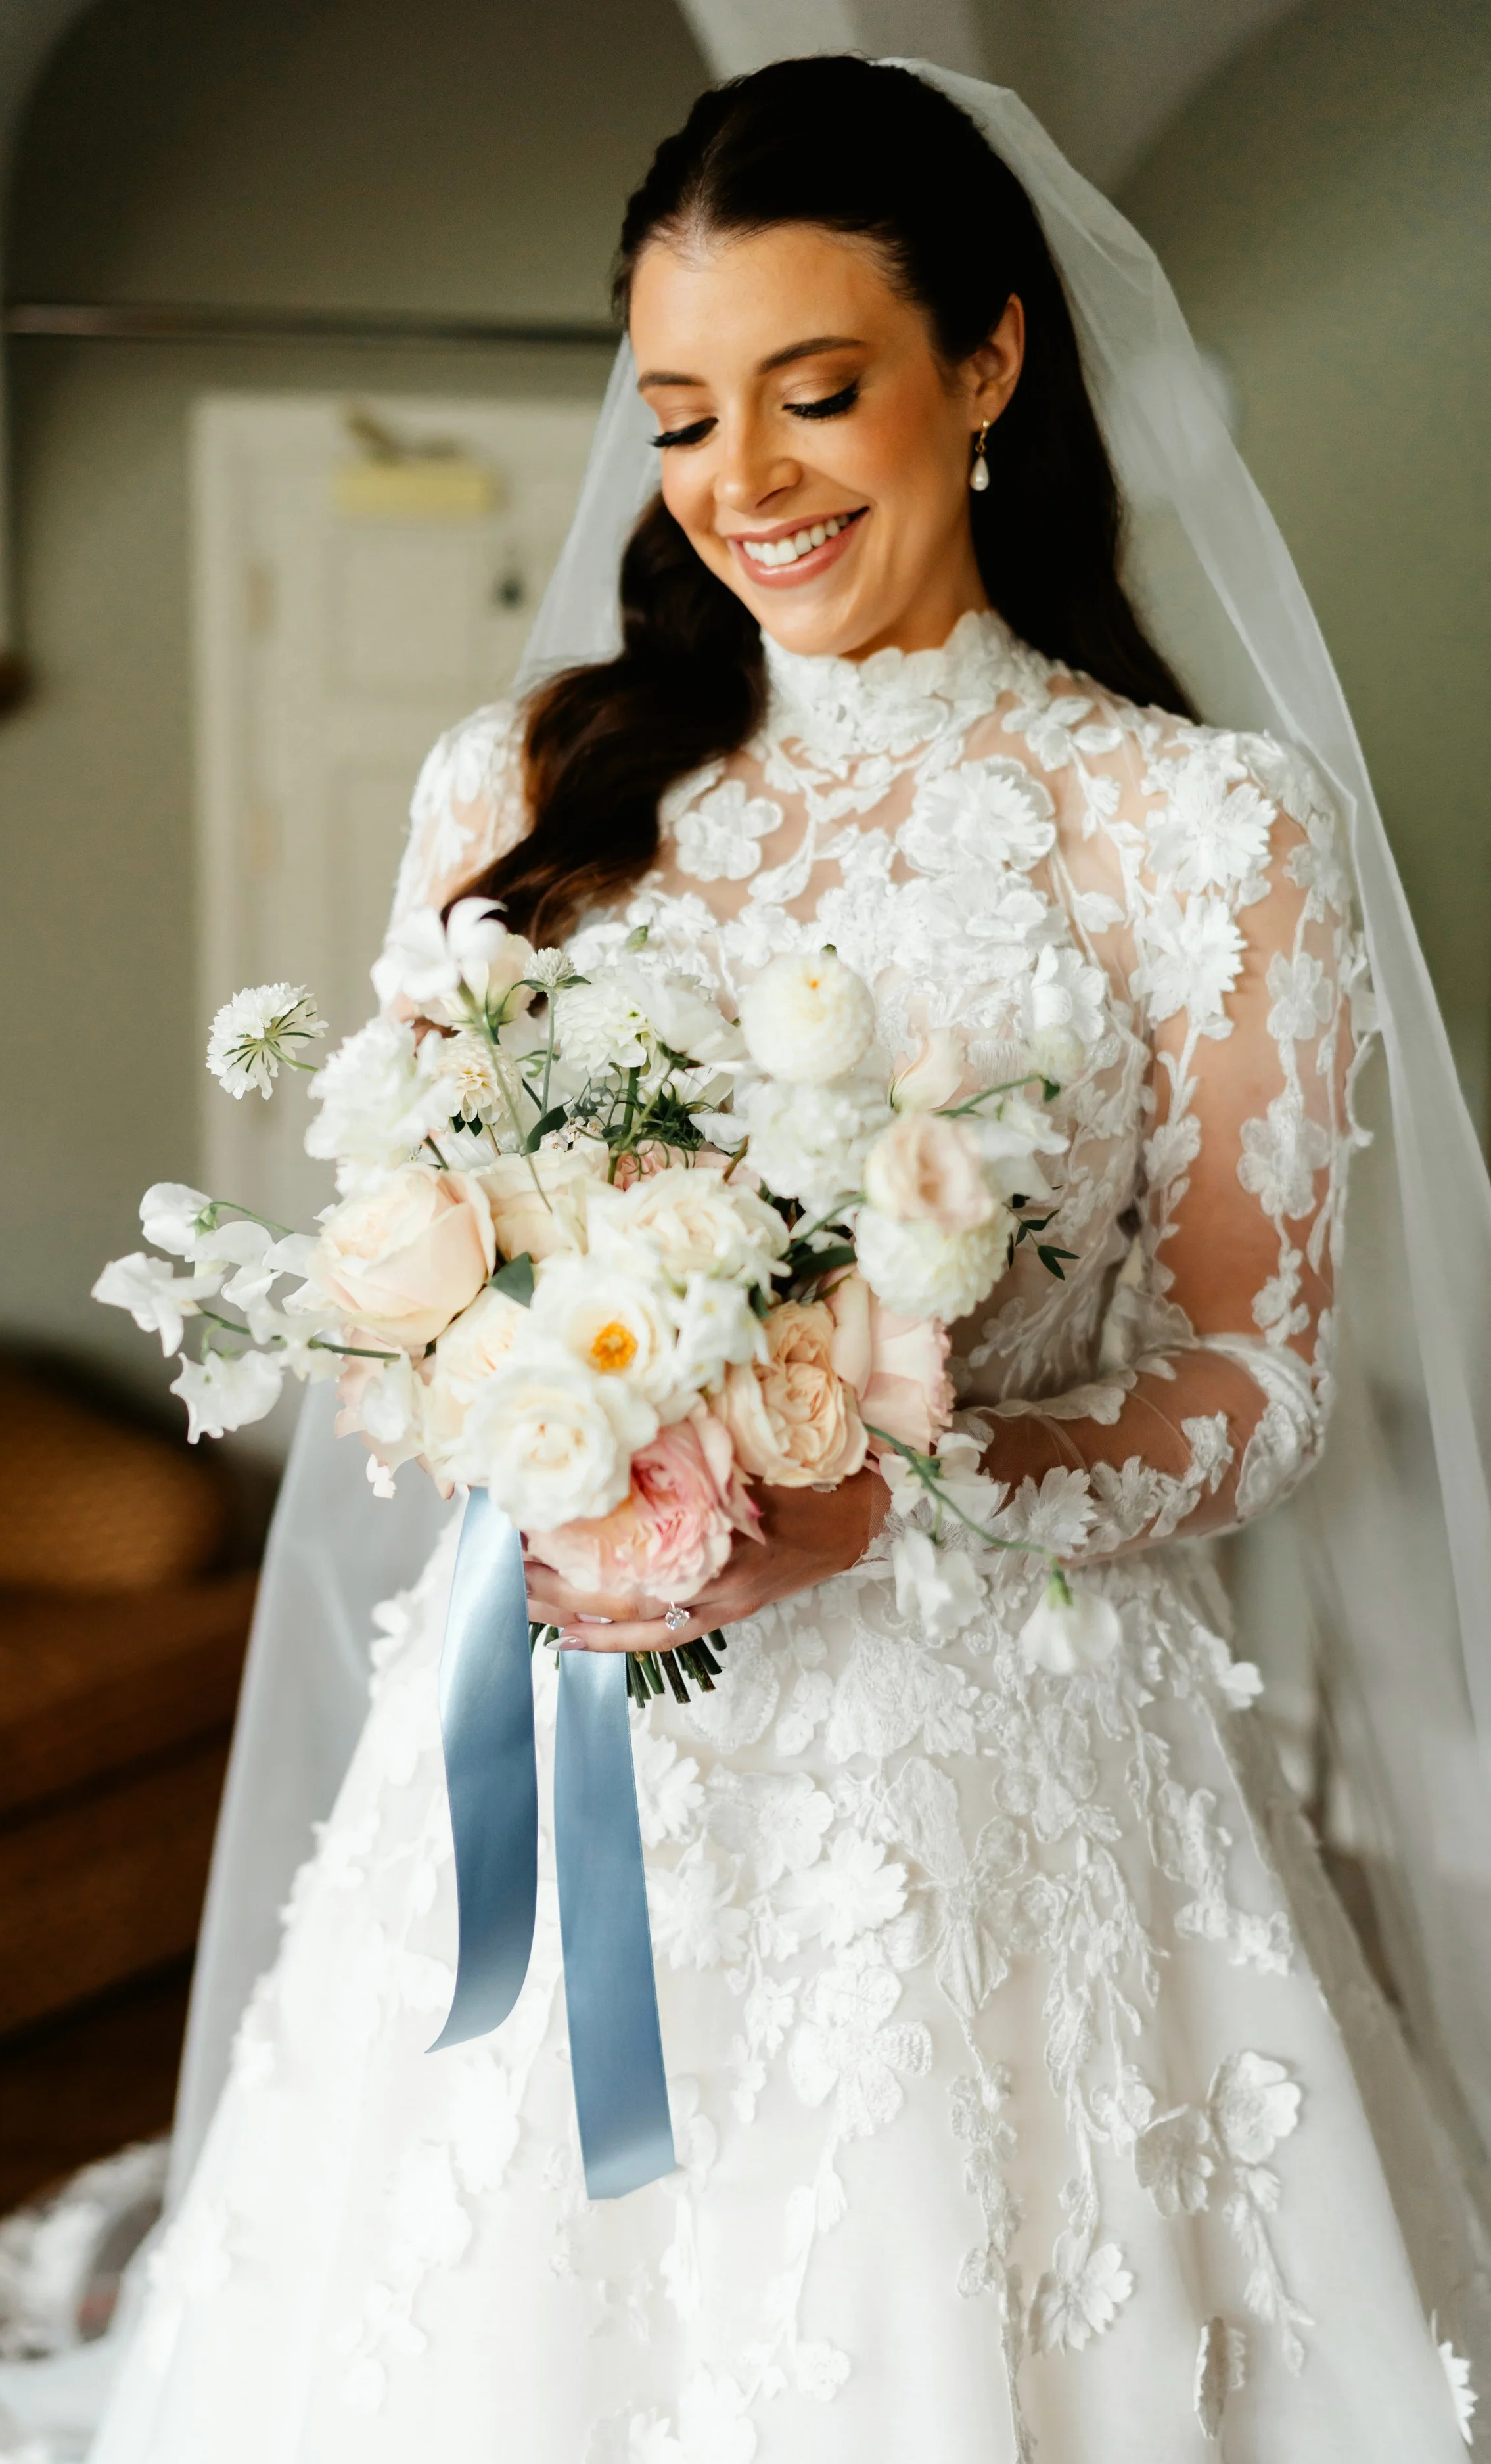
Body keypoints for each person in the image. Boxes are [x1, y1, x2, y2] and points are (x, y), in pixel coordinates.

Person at [74, 56, 1485, 2464]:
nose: (740, 484)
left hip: (995, 1777)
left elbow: (1249, 1377)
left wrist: (893, 1487)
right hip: (551, 1732)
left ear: (989, 364)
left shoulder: (1191, 827)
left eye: (813, 394)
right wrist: (516, 1387)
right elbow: (415, 1251)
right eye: (684, 415)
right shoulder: (520, 788)